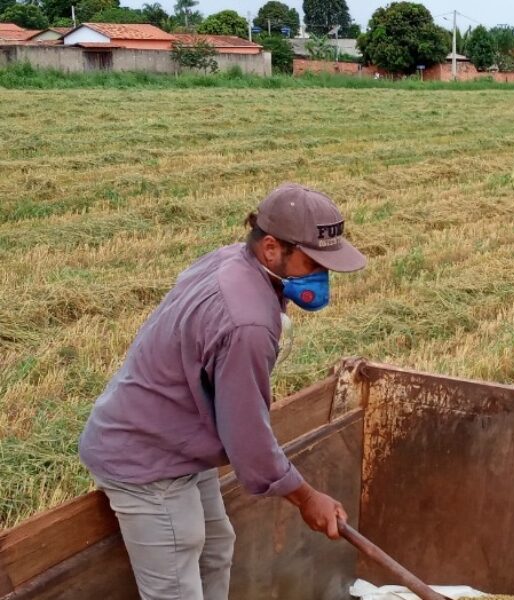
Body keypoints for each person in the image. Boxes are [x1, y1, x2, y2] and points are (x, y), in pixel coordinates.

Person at [78, 183, 368, 600]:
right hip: (148, 457)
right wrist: (307, 499)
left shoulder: (231, 260)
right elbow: (248, 439)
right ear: (272, 249)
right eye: (313, 262)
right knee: (176, 587)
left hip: (180, 433)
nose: (321, 276)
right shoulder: (247, 323)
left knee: (215, 548)